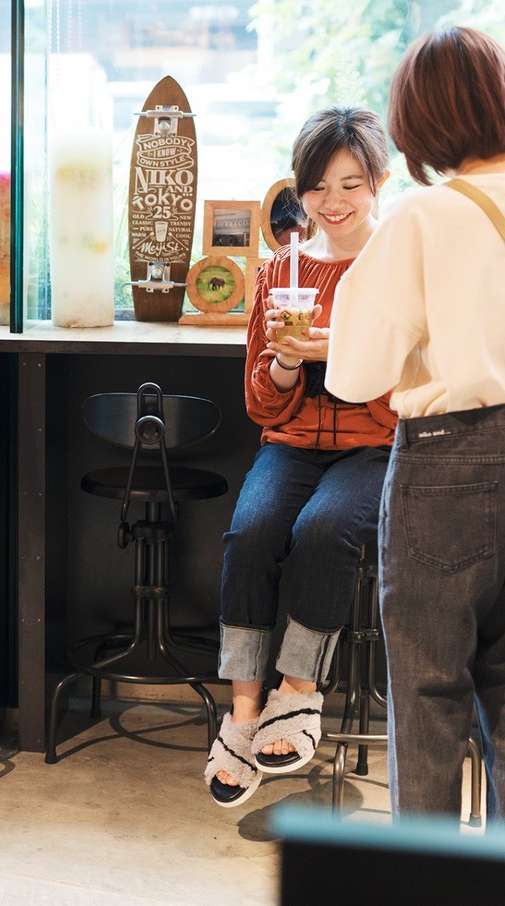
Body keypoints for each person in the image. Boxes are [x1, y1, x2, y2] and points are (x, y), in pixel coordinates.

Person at [327, 26, 505, 820]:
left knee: (428, 702)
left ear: (419, 121)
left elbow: (355, 373)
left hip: (449, 464)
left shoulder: (424, 215)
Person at [204, 106, 396, 808]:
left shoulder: (392, 266)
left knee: (323, 529)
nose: (334, 202)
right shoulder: (280, 270)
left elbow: (402, 390)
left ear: (378, 182)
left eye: (351, 184)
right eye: (318, 186)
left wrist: (337, 352)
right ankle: (245, 710)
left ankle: (299, 691)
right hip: (292, 444)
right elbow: (263, 404)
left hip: (374, 446)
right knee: (249, 531)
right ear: (300, 190)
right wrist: (288, 364)